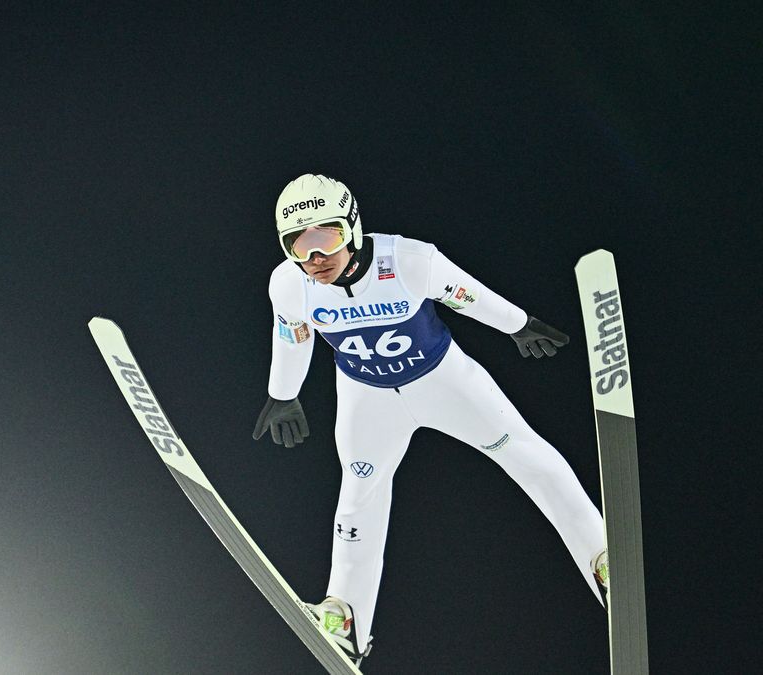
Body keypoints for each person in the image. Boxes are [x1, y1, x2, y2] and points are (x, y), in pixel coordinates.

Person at [252, 174, 608, 666]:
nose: (316, 257)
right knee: (357, 502)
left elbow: (468, 294)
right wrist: (284, 395)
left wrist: (518, 325)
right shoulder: (290, 285)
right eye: (299, 243)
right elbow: (291, 339)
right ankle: (346, 619)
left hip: (444, 384)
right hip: (367, 398)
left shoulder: (409, 261)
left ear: (352, 227)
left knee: (528, 457)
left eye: (326, 236)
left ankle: (603, 559)